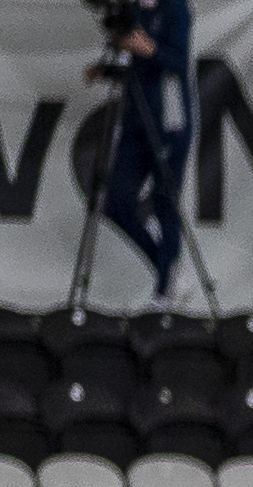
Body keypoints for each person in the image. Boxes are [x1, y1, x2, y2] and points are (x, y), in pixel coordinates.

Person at [96, 0, 197, 297]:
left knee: (165, 199)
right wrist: (106, 69)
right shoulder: (133, 9)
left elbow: (178, 62)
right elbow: (135, 67)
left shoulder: (175, 8)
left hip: (169, 119)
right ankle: (164, 265)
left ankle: (167, 284)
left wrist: (147, 48)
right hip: (135, 121)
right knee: (116, 202)